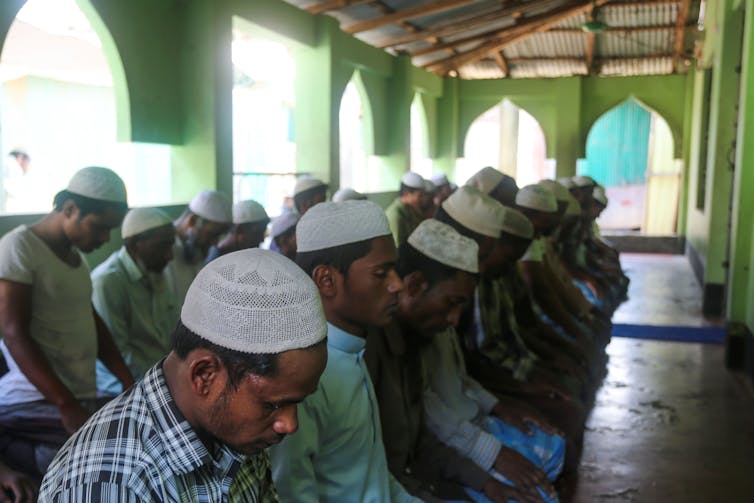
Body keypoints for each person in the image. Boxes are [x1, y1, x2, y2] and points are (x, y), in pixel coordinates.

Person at [39, 249, 328, 502]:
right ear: (204, 375)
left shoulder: (234, 427)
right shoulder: (111, 485)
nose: (289, 424)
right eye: (273, 405)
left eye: (296, 403)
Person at [365, 219, 527, 503]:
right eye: (451, 303)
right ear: (413, 285)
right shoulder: (369, 349)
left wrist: (485, 482)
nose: (453, 320)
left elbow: (417, 444)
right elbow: (371, 474)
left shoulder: (411, 342)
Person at [270, 200, 420, 503]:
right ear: (326, 280)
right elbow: (294, 494)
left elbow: (369, 475)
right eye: (382, 273)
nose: (397, 285)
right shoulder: (305, 379)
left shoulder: (352, 350)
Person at [0, 167, 133, 476]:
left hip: (75, 393)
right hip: (31, 398)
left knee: (127, 431)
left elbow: (92, 323)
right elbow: (12, 332)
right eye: (99, 227)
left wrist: (129, 383)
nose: (105, 238)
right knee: (96, 454)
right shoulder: (19, 248)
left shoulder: (76, 259)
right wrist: (64, 404)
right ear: (70, 209)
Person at [92, 208, 178, 396]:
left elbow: (169, 333)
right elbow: (119, 352)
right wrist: (161, 385)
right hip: (119, 389)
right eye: (164, 246)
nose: (170, 256)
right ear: (135, 244)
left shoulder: (157, 272)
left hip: (157, 381)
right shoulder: (107, 281)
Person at [167, 190, 231, 305]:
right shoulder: (162, 251)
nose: (215, 243)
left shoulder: (194, 247)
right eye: (212, 234)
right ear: (192, 221)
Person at [385, 172, 427, 246]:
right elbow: (397, 249)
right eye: (420, 196)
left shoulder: (410, 209)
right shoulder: (395, 216)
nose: (423, 200)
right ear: (406, 194)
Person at [2, 149, 31, 213]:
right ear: (20, 157)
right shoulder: (15, 166)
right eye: (27, 163)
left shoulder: (4, 162)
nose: (27, 168)